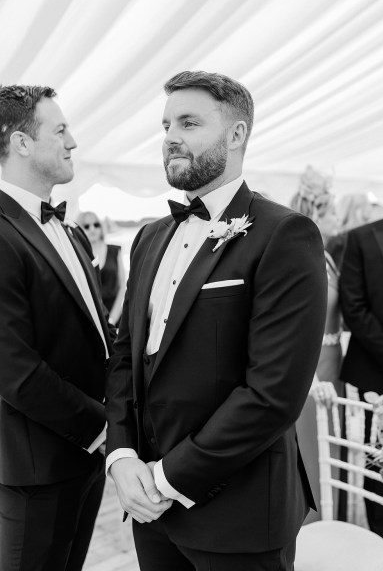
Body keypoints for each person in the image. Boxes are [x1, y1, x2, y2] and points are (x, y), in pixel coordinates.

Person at [105, 70, 327, 571]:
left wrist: (166, 479)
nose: (170, 139)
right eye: (165, 126)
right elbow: (124, 356)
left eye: (188, 122)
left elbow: (273, 394)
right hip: (149, 514)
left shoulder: (285, 235)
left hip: (240, 516)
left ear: (236, 134)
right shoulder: (149, 237)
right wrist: (121, 458)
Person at [0, 85, 115, 570]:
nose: (73, 143)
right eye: (61, 130)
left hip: (86, 462)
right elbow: (14, 367)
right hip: (35, 471)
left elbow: (94, 335)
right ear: (22, 143)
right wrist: (101, 426)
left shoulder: (69, 232)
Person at [340, 163, 383, 544]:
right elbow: (354, 307)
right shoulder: (361, 237)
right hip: (379, 372)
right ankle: (379, 538)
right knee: (381, 460)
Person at [290, 166, 343, 524]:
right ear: (319, 211)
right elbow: (291, 329)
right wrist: (309, 381)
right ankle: (310, 539)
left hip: (334, 365)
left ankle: (331, 528)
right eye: (333, 208)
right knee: (312, 458)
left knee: (332, 453)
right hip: (312, 375)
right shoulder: (300, 257)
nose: (339, 216)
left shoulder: (325, 255)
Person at [78, 211, 126, 325]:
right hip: (91, 319)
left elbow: (122, 286)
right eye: (86, 226)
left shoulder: (115, 250)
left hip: (116, 315)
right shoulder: (78, 254)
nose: (92, 229)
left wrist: (112, 319)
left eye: (96, 224)